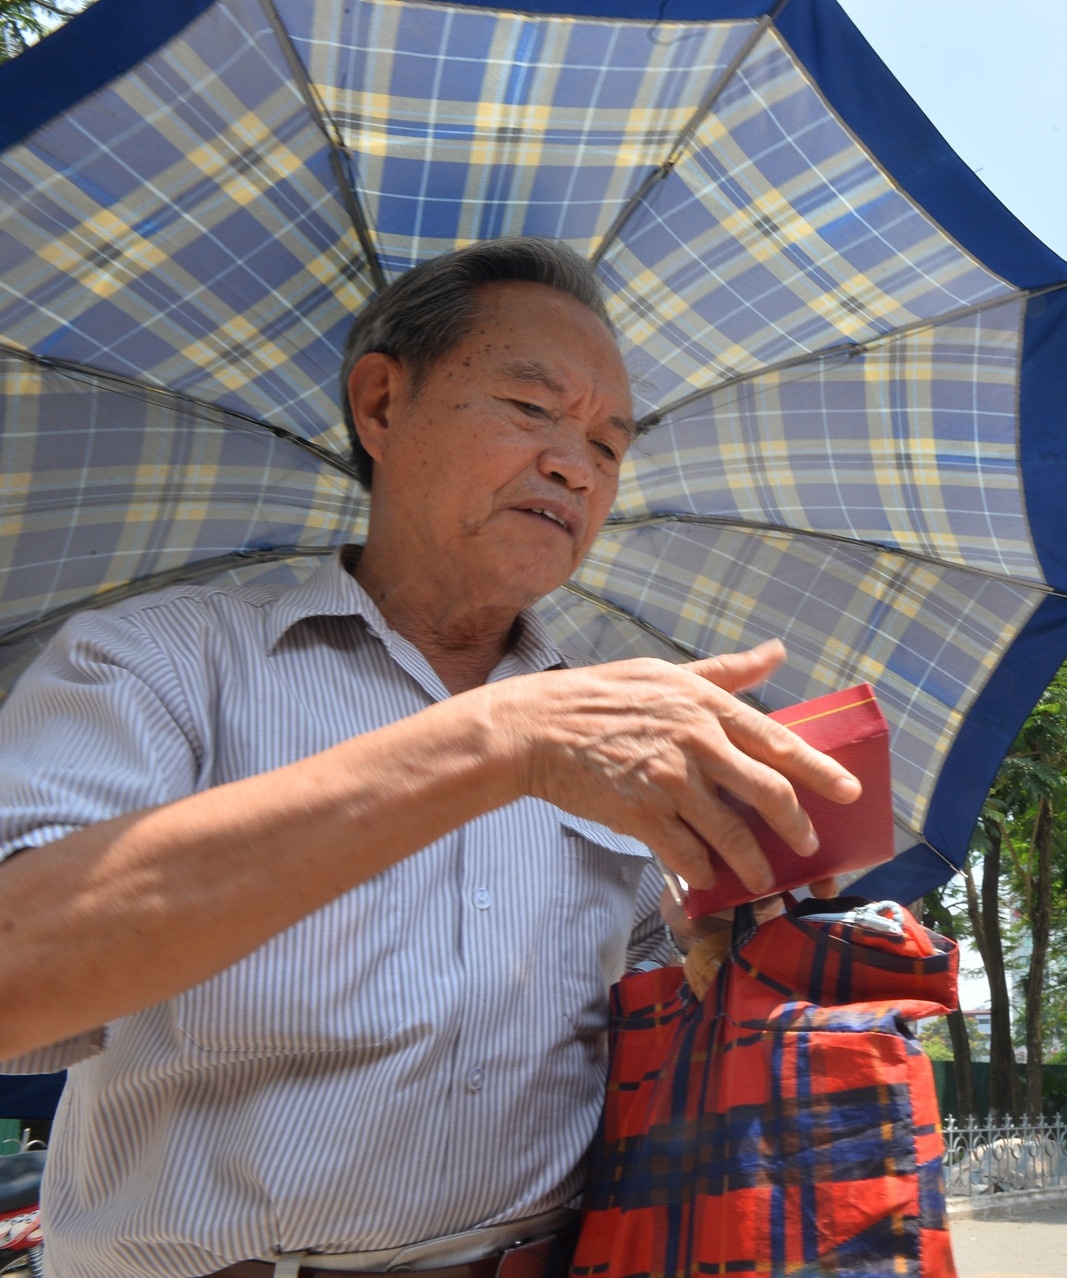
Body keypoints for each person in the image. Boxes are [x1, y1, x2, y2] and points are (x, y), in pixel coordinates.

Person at [0, 239, 862, 1278]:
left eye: (607, 444)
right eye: (532, 408)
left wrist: (713, 965)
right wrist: (499, 744)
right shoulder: (162, 662)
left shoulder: (626, 735)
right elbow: (16, 976)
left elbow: (627, 1049)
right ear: (380, 405)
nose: (574, 466)